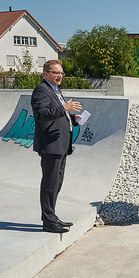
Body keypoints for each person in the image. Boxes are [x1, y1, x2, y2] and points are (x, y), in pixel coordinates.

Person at [31, 59, 82, 233]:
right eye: (55, 73)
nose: (59, 76)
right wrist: (64, 108)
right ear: (46, 74)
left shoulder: (56, 90)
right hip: (50, 144)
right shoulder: (41, 90)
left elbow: (59, 114)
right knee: (49, 184)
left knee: (56, 183)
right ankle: (48, 222)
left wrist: (73, 120)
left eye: (61, 73)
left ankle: (51, 216)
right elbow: (41, 114)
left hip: (60, 144)